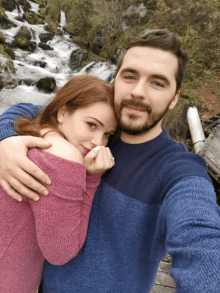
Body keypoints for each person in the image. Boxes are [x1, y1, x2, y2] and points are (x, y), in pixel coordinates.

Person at [0, 29, 220, 292]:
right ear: (115, 80)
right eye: (130, 76)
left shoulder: (177, 170)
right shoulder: (93, 132)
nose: (138, 92)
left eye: (157, 83)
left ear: (174, 98)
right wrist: (7, 140)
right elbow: (27, 109)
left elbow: (200, 236)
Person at [0, 74, 117, 293]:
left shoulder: (33, 132)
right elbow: (60, 252)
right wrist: (91, 178)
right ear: (62, 112)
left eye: (107, 134)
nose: (98, 143)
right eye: (91, 125)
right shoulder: (65, 155)